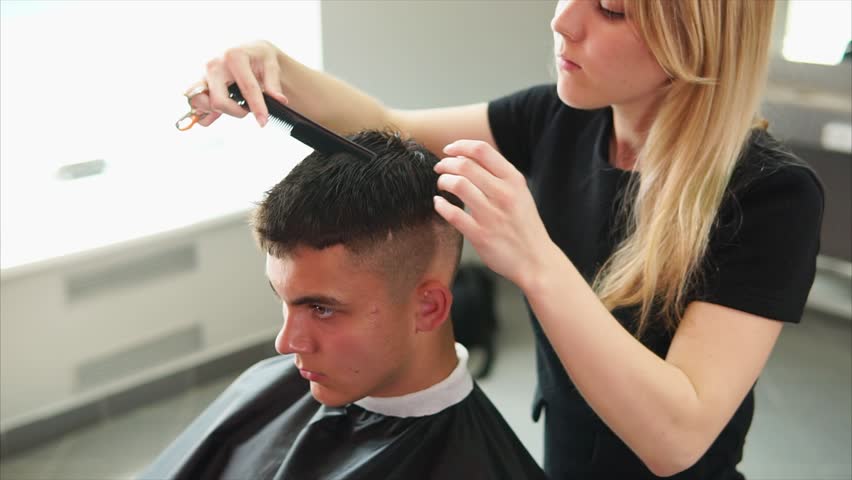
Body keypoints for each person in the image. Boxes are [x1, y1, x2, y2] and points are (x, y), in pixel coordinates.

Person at [183, 1, 824, 478]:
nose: (564, 21)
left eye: (612, 10)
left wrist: (534, 260)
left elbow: (678, 436)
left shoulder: (771, 194)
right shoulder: (558, 119)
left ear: (699, 39)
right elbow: (391, 129)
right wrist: (277, 65)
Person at [139, 130, 546, 480]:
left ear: (428, 308)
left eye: (321, 309)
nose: (286, 343)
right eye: (283, 300)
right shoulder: (268, 384)